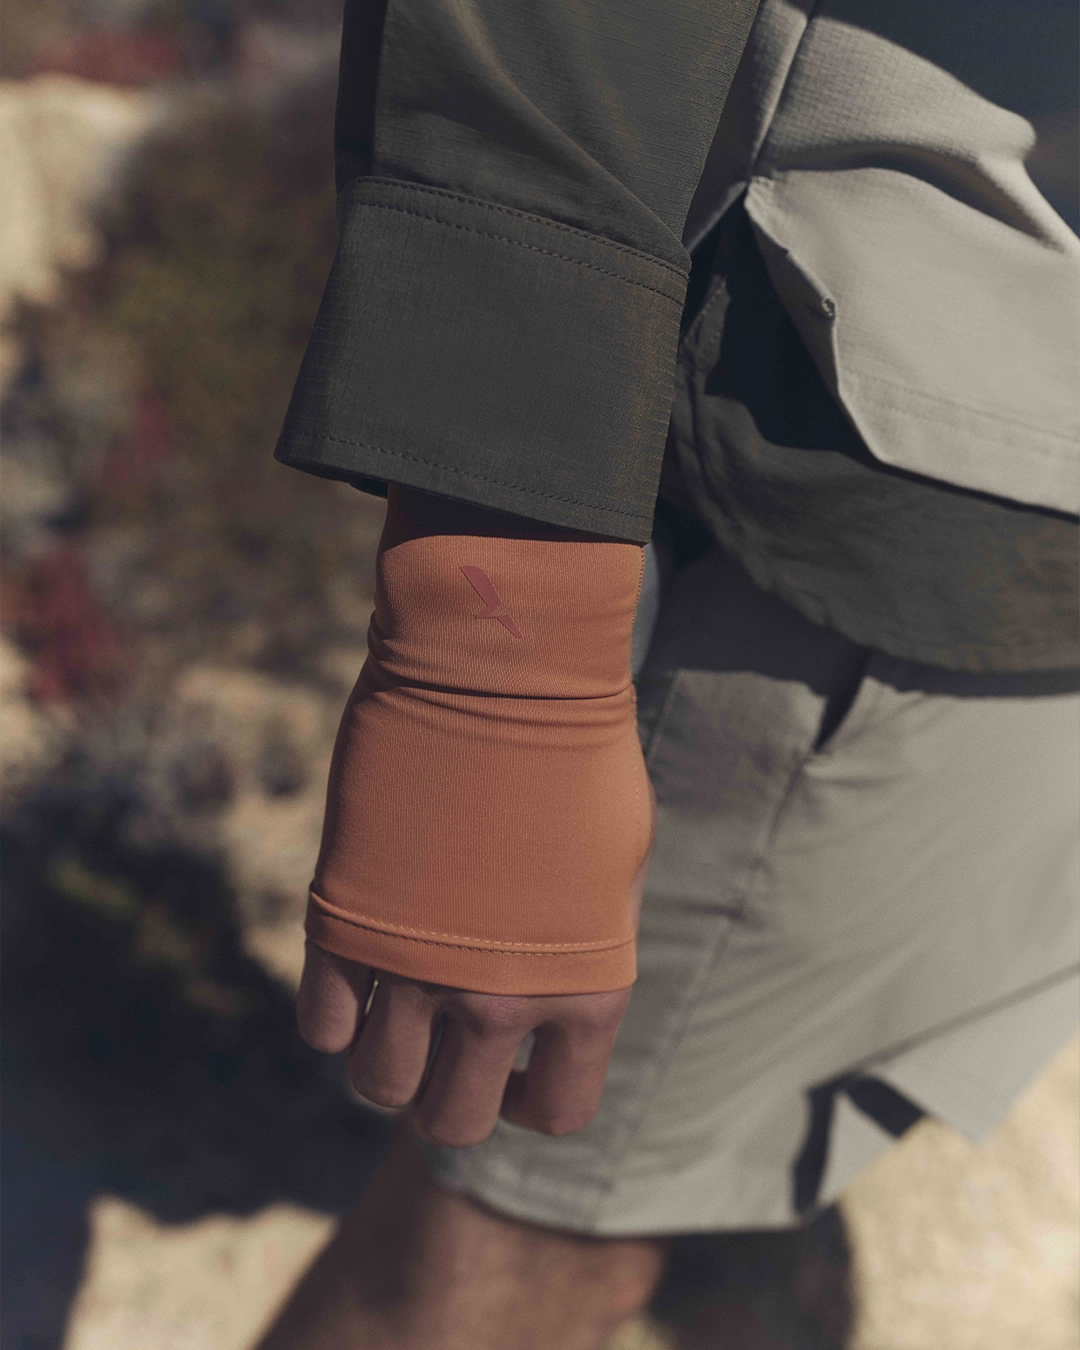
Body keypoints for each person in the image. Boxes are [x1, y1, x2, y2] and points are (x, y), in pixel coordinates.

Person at [257, 2, 1080, 1346]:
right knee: (519, 1245)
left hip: (1023, 514)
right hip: (878, 501)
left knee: (680, 1194)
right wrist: (499, 655)